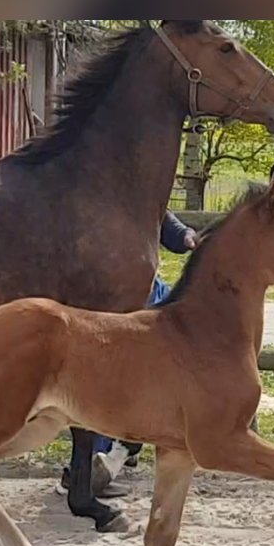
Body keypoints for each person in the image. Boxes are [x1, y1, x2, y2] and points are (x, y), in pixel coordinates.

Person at [57, 209, 198, 498]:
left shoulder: (131, 186)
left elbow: (158, 215)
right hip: (114, 295)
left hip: (145, 289)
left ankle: (113, 457)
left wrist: (186, 235)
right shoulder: (97, 192)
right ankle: (99, 463)